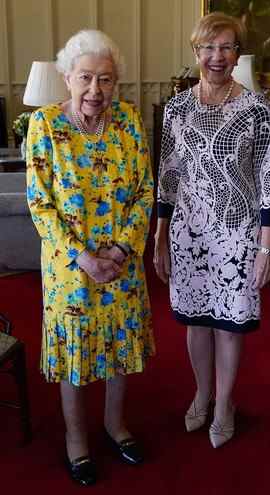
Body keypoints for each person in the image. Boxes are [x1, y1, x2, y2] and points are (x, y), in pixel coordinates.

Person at [26, 29, 155, 485]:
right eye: (86, 78)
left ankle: (115, 425)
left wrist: (120, 250)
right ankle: (76, 438)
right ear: (67, 77)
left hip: (121, 263)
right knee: (76, 352)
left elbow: (144, 190)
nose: (95, 90)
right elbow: (40, 204)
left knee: (120, 347)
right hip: (71, 270)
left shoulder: (128, 119)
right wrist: (84, 258)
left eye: (106, 80)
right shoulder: (44, 126)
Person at [154, 12, 270, 448]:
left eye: (226, 47)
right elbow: (168, 173)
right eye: (208, 47)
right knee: (197, 321)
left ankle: (224, 404)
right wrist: (160, 232)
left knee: (229, 323)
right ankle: (202, 393)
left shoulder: (254, 109)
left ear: (237, 54)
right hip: (189, 231)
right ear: (196, 52)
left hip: (237, 232)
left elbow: (267, 176)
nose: (217, 56)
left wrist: (267, 245)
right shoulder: (177, 108)